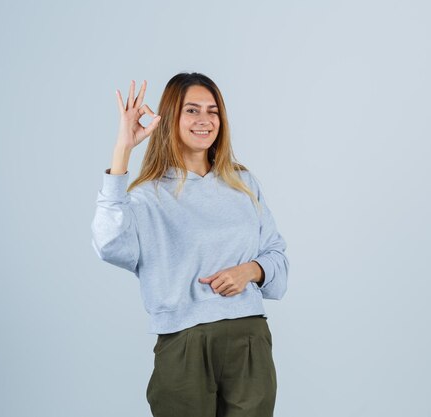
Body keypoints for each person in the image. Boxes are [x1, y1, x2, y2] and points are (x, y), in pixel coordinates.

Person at [90, 73, 289, 417]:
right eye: (192, 110)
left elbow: (278, 262)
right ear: (169, 119)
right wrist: (122, 149)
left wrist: (251, 270)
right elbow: (108, 244)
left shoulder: (242, 183)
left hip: (248, 340)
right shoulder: (146, 197)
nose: (205, 121)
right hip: (183, 344)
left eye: (213, 111)